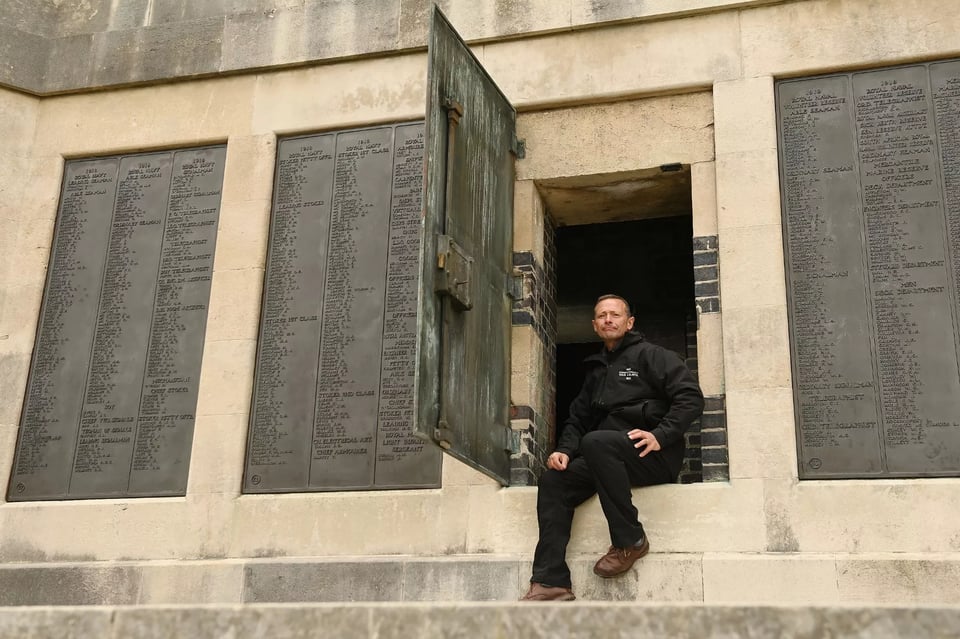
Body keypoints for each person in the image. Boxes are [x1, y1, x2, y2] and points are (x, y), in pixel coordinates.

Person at [520, 294, 704, 601]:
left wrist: (661, 434)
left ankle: (630, 540)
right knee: (554, 479)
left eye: (615, 315)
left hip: (653, 456)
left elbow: (691, 398)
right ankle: (551, 580)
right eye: (602, 315)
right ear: (594, 325)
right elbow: (577, 418)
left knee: (596, 442)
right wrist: (564, 450)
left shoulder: (653, 356)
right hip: (606, 458)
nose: (608, 319)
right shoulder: (596, 371)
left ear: (629, 322)